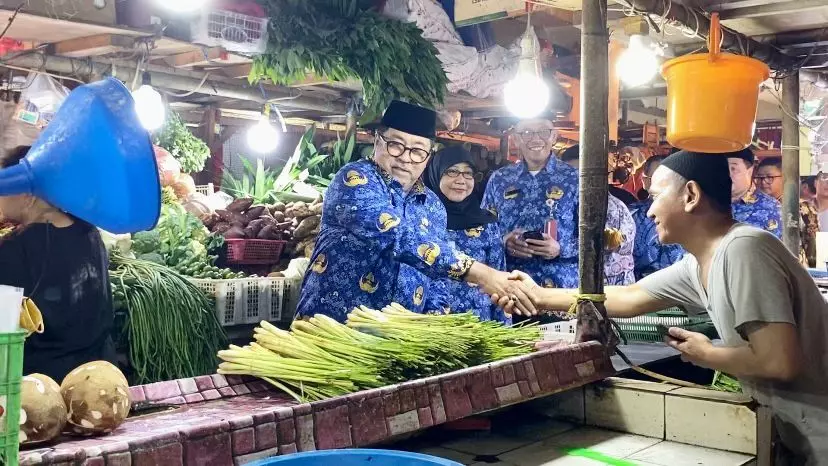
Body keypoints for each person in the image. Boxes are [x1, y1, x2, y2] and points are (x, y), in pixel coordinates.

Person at [494, 150, 828, 464]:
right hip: (799, 432)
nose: (650, 210)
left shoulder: (744, 251)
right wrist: (539, 296)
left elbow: (779, 361)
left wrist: (707, 352)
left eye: (655, 197)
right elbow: (630, 296)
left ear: (691, 195)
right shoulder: (699, 261)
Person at [295, 101, 513, 322]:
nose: (406, 157)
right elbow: (395, 235)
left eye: (418, 150)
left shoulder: (433, 206)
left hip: (400, 342)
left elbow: (436, 278)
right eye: (396, 145)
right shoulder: (355, 180)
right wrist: (481, 273)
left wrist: (434, 320)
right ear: (377, 141)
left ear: (428, 157)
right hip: (334, 330)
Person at [0, 146, 116, 382]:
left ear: (26, 194)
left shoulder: (15, 248)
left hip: (42, 386)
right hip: (97, 375)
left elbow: (5, 330)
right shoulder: (90, 233)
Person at [481, 117, 578, 292]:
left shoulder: (576, 179)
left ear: (554, 136)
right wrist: (503, 241)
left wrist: (561, 248)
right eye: (526, 132)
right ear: (516, 139)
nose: (535, 139)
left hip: (560, 288)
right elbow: (482, 230)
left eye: (543, 132)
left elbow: (597, 237)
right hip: (509, 286)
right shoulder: (500, 179)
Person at [423, 145, 509, 323]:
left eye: (468, 173)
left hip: (478, 325)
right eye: (452, 172)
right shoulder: (421, 220)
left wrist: (505, 333)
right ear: (435, 174)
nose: (461, 180)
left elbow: (500, 282)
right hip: (426, 324)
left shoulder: (487, 224)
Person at [560, 144, 636, 285]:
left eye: (579, 175)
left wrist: (560, 248)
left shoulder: (608, 206)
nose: (573, 181)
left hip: (609, 292)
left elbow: (602, 242)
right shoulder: (569, 203)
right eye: (568, 175)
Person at [630, 155, 685, 280]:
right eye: (656, 177)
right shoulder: (631, 215)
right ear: (645, 181)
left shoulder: (691, 214)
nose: (663, 184)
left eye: (669, 178)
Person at [755, 157, 818, 267]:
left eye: (769, 177)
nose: (763, 182)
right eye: (759, 178)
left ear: (784, 178)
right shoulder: (751, 207)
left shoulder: (802, 207)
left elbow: (812, 244)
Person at [728, 149, 782, 238]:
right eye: (721, 168)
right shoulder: (708, 203)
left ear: (749, 171)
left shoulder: (773, 210)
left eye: (733, 169)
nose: (727, 174)